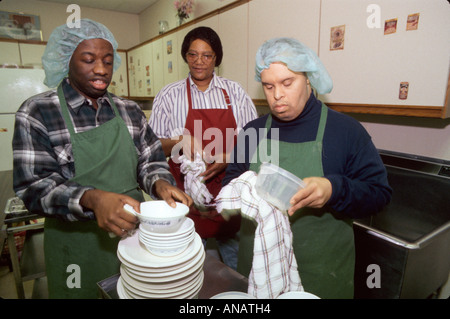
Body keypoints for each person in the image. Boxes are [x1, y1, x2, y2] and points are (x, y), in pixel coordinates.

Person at [12, 19, 192, 299]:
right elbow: (33, 187)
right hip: (75, 248)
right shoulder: (37, 112)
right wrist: (92, 199)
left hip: (133, 239)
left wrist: (159, 183)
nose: (100, 69)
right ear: (66, 60)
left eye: (108, 61)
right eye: (89, 59)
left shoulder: (129, 110)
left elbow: (150, 160)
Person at [222, 37, 392, 298]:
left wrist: (334, 189)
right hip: (258, 270)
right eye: (268, 86)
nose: (277, 94)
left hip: (321, 275)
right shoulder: (252, 133)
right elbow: (231, 183)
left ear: (309, 78)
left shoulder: (346, 132)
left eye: (287, 83)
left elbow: (378, 194)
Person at [149, 26, 257, 270]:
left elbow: (255, 141)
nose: (199, 62)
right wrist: (179, 141)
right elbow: (151, 148)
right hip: (185, 202)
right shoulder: (169, 95)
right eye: (192, 55)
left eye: (206, 55)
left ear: (216, 58)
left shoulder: (235, 93)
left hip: (230, 199)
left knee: (238, 272)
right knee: (188, 270)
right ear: (185, 56)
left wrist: (230, 157)